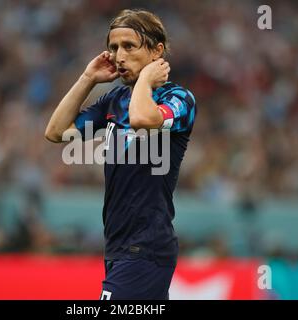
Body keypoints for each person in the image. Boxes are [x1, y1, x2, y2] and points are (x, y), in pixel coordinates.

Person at [45, 9, 197, 300]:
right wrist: (88, 77)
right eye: (113, 47)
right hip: (117, 245)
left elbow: (141, 118)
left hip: (147, 247)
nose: (118, 55)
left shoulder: (179, 99)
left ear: (157, 51)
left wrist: (145, 81)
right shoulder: (114, 100)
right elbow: (56, 131)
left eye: (129, 46)